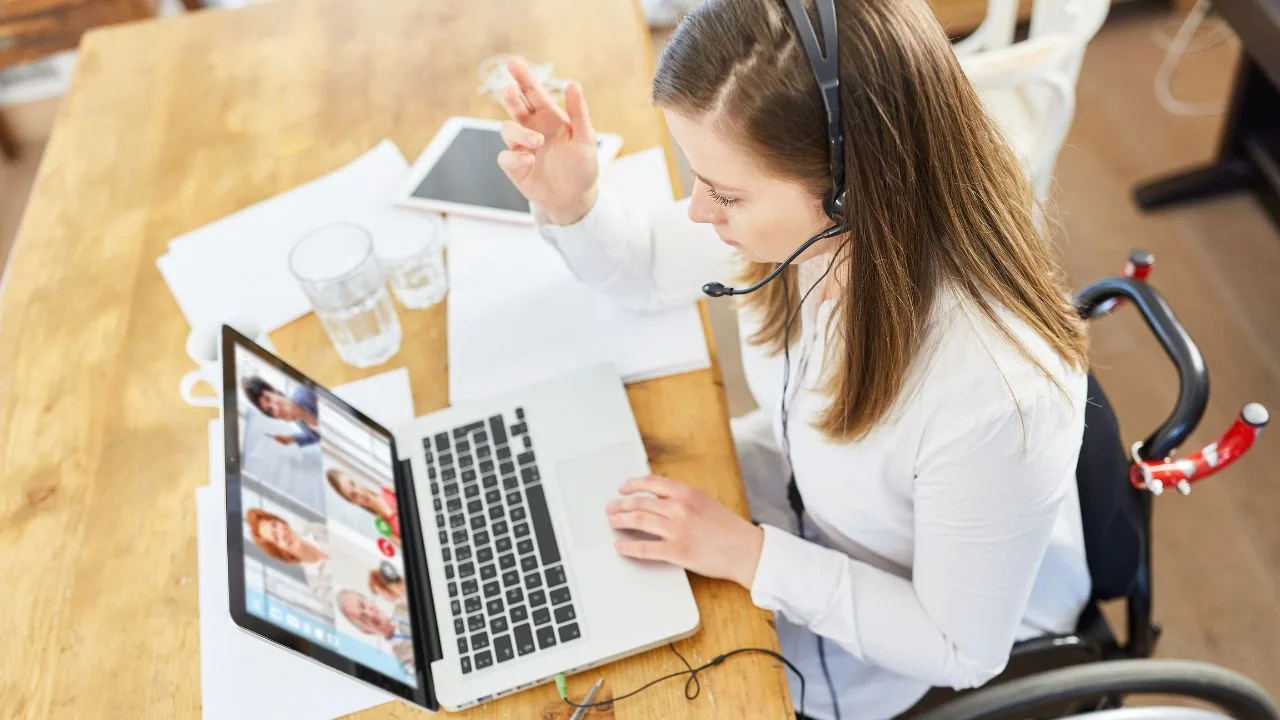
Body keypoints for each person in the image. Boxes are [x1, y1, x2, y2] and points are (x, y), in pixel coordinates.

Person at [492, 0, 1091, 717]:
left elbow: (957, 647)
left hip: (886, 644)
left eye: (726, 194)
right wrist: (576, 202)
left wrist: (746, 554)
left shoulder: (999, 397)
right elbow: (651, 263)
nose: (698, 213)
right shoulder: (820, 231)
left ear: (847, 188)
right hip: (798, 515)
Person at [246, 508, 334, 609]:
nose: (282, 533)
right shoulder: (318, 586)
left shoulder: (314, 529)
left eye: (275, 524)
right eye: (276, 537)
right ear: (280, 552)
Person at [338, 590, 416, 677]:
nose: (369, 613)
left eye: (362, 604)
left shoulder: (404, 604)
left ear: (368, 599)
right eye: (363, 618)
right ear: (367, 631)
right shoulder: (404, 661)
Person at [326, 467, 401, 543]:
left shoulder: (388, 489)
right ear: (353, 502)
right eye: (353, 495)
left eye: (353, 483)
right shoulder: (382, 526)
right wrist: (389, 514)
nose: (360, 492)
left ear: (354, 477)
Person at [242, 376, 320, 447]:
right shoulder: (299, 420)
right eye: (270, 410)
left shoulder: (308, 391)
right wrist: (290, 439)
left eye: (268, 399)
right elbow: (315, 436)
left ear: (274, 390)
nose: (277, 409)